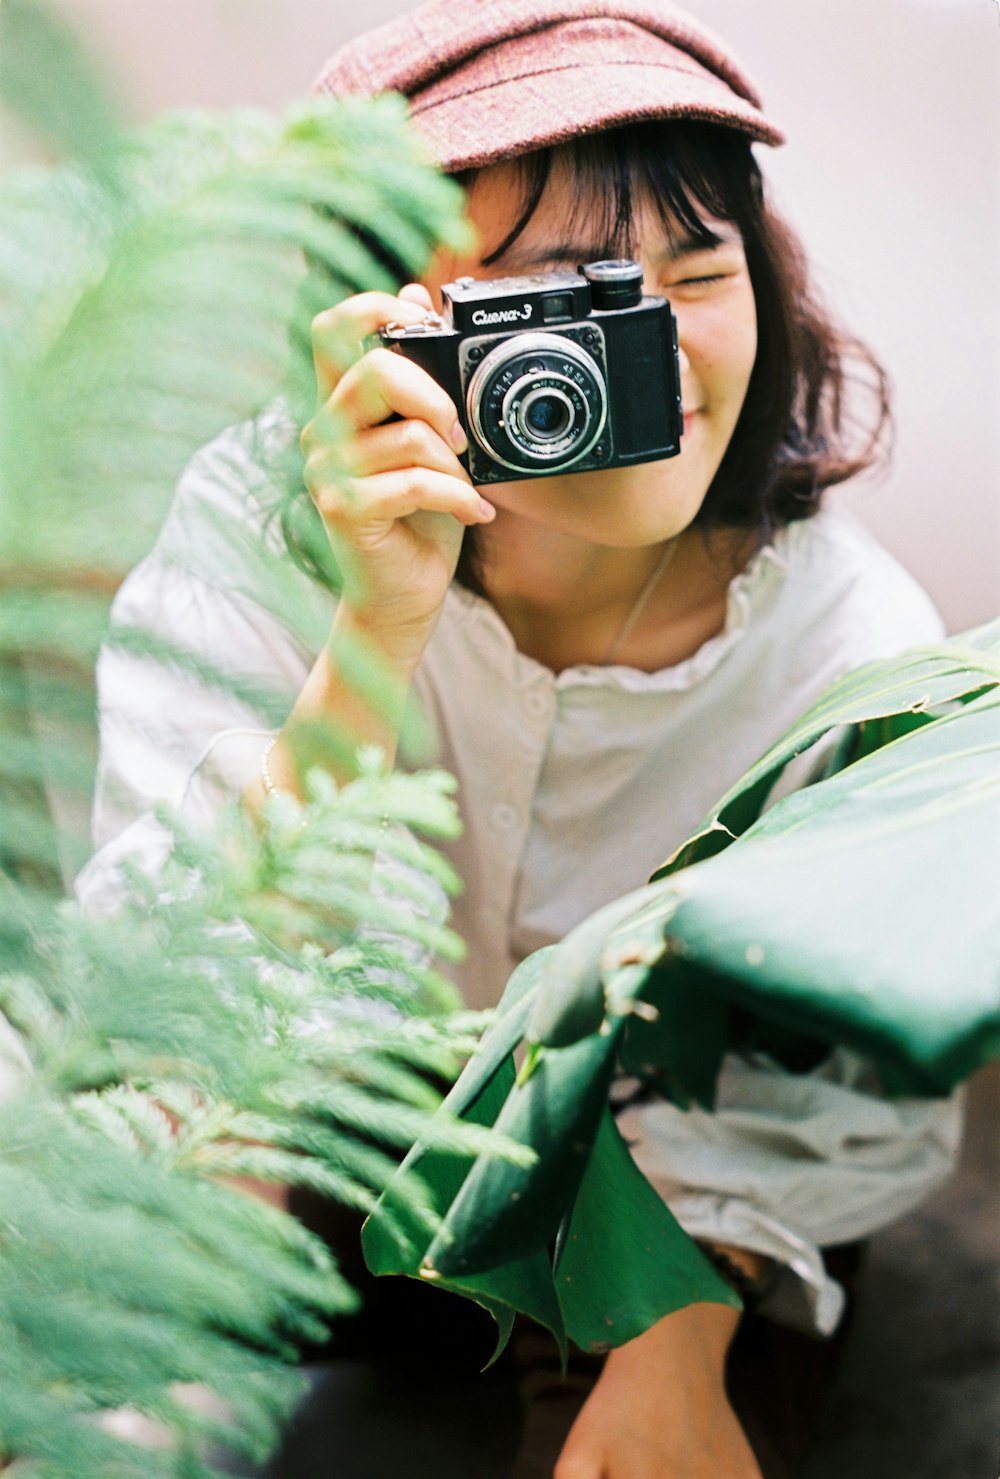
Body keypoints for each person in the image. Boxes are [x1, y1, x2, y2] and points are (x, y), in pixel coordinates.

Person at [78, 1, 962, 1473]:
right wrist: (376, 630)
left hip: (663, 1165)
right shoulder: (259, 529)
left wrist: (675, 1339)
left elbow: (823, 1070)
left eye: (698, 273)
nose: (655, 353)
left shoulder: (845, 642)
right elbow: (173, 977)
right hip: (337, 1134)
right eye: (568, 303)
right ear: (385, 328)